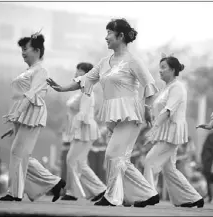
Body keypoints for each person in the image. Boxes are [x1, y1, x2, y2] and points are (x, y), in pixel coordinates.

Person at [47, 18, 159, 207]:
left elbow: (150, 85)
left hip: (131, 114)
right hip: (114, 116)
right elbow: (85, 79)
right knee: (120, 158)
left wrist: (148, 110)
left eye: (109, 33)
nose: (106, 37)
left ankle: (113, 197)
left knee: (112, 154)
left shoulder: (133, 61)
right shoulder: (104, 62)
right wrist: (61, 88)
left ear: (120, 36)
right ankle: (148, 193)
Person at [0, 32, 66, 202]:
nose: (22, 52)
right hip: (22, 114)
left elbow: (30, 95)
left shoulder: (41, 70)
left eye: (25, 49)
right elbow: (21, 95)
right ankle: (55, 183)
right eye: (21, 49)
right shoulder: (29, 71)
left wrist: (17, 113)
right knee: (21, 154)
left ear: (36, 50)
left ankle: (15, 193)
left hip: (32, 113)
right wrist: (13, 122)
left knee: (18, 153)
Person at [143, 55, 204, 208]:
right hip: (165, 131)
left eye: (163, 67)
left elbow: (168, 110)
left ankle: (147, 195)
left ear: (173, 70)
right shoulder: (168, 87)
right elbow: (160, 109)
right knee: (169, 168)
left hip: (171, 132)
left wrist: (153, 130)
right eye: (160, 67)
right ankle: (191, 198)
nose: (160, 71)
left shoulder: (177, 87)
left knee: (150, 161)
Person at [57, 62, 106, 201]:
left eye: (80, 70)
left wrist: (74, 129)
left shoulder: (87, 90)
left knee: (72, 160)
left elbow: (83, 113)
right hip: (81, 128)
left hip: (84, 128)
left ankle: (75, 192)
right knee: (78, 162)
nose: (77, 72)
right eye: (77, 69)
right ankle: (97, 189)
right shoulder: (82, 89)